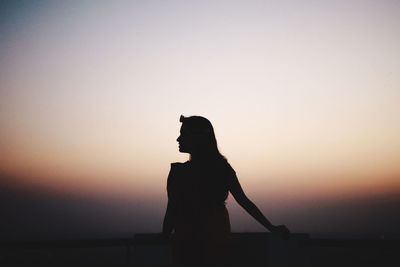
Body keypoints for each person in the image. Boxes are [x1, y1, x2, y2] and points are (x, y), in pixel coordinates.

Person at [162, 115, 290, 267]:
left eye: (184, 134)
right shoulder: (218, 169)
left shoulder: (181, 172)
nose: (178, 139)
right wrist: (271, 227)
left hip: (199, 244)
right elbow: (243, 201)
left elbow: (173, 209)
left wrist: (164, 237)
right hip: (209, 242)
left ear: (198, 138)